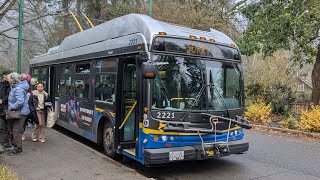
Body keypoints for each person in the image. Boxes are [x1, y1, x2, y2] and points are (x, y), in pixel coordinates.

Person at [7, 72, 30, 155]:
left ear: (13, 80)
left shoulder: (18, 89)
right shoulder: (17, 87)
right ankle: (15, 147)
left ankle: (17, 149)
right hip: (20, 112)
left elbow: (20, 102)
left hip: (20, 112)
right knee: (14, 130)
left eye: (9, 79)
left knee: (16, 130)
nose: (8, 80)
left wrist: (11, 107)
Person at [0, 70, 13, 153]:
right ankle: (4, 144)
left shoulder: (13, 85)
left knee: (9, 128)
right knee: (2, 127)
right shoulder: (3, 84)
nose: (4, 77)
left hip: (9, 109)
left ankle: (8, 144)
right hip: (2, 109)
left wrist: (3, 100)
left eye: (6, 75)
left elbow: (11, 95)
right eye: (4, 75)